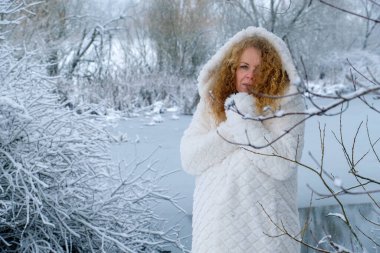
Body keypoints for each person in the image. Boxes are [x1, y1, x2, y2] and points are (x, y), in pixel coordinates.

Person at [180, 26, 305, 253]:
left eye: (260, 68)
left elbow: (283, 165)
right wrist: (232, 128)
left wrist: (243, 118)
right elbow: (190, 159)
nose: (250, 75)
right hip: (214, 235)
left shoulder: (287, 104)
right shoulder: (212, 103)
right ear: (232, 69)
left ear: (272, 71)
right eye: (243, 67)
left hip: (267, 237)